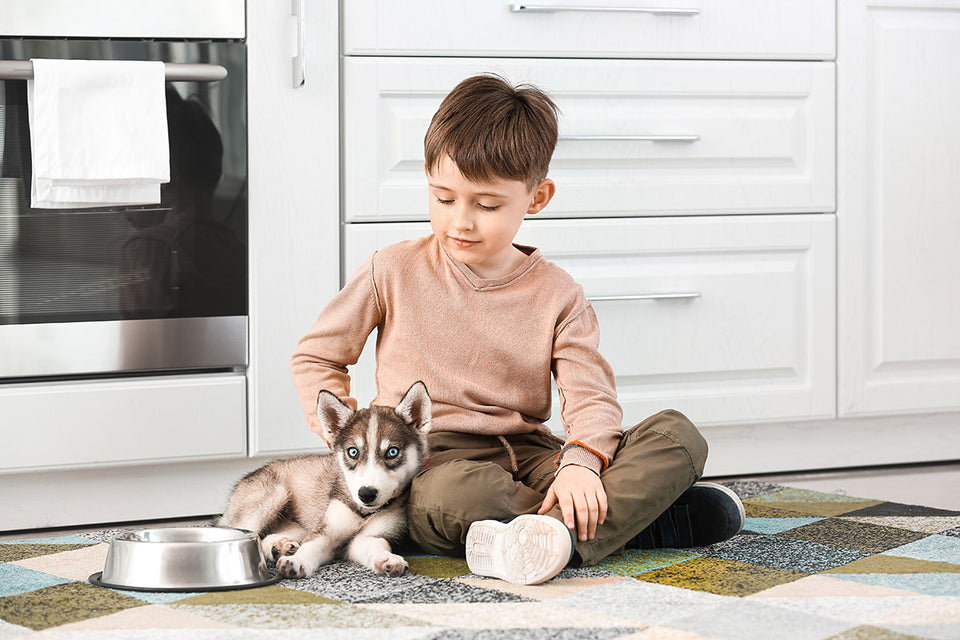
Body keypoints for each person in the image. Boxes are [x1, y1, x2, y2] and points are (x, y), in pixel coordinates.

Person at [290, 74, 744, 586]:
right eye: (443, 198)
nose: (460, 221)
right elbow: (316, 358)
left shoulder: (559, 293)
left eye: (485, 205)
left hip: (532, 455)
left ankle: (542, 538)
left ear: (537, 197)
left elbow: (591, 399)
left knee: (678, 437)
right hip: (438, 462)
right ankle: (629, 522)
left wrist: (581, 465)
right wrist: (344, 427)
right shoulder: (390, 270)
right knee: (459, 498)